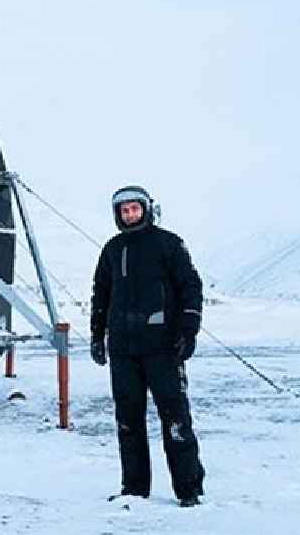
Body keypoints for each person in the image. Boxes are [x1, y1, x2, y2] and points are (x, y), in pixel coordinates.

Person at [89, 185, 206, 507]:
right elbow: (101, 295)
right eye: (124, 211)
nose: (129, 215)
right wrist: (98, 336)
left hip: (163, 347)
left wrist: (188, 330)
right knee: (128, 420)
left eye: (134, 209)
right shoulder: (112, 249)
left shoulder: (169, 244)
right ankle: (135, 488)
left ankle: (189, 489)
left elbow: (190, 288)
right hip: (123, 349)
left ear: (146, 209)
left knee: (175, 419)